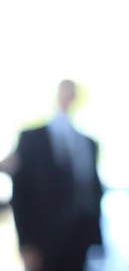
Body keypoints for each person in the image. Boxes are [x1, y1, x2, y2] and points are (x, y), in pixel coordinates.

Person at [12, 79, 103, 271]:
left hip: (80, 238)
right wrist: (26, 243)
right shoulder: (32, 139)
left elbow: (92, 189)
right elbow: (21, 194)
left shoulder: (87, 142)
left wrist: (96, 238)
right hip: (45, 240)